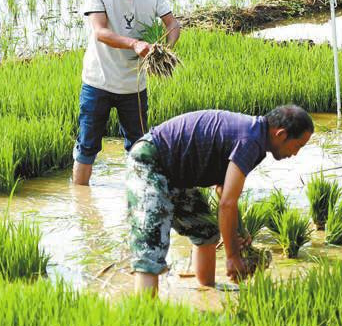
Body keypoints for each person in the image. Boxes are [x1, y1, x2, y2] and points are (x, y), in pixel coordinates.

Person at [126, 106, 314, 296]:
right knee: (150, 245)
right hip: (150, 160)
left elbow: (222, 189)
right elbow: (227, 203)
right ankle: (146, 313)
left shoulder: (254, 136)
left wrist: (239, 230)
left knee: (206, 230)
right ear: (281, 134)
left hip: (175, 174)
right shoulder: (250, 140)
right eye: (298, 145)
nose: (296, 153)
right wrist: (232, 257)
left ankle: (207, 290)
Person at [72, 0, 180, 186]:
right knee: (87, 145)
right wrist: (135, 44)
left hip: (134, 84)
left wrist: (165, 46)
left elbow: (172, 23)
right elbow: (100, 31)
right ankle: (79, 200)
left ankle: (139, 194)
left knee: (139, 145)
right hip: (99, 81)